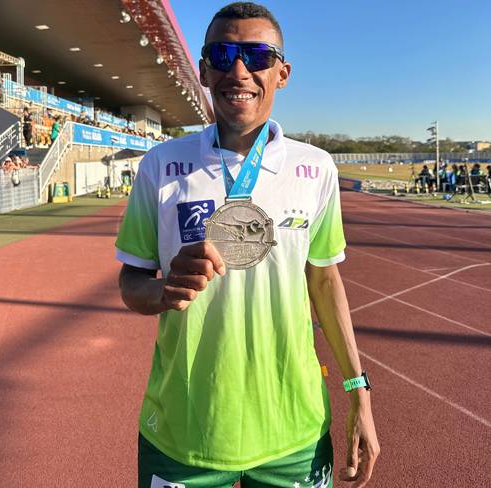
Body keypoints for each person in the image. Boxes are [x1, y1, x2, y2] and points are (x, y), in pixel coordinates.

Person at [116, 3, 379, 488]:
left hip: (293, 429)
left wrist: (358, 391)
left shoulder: (316, 168)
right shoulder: (161, 165)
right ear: (203, 70)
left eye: (258, 55)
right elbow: (132, 281)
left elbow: (324, 280)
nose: (239, 70)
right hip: (184, 430)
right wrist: (163, 291)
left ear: (283, 73)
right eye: (222, 54)